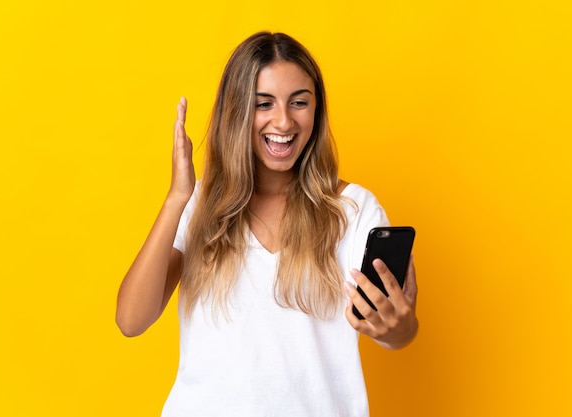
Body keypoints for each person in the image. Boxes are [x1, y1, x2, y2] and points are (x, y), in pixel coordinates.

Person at [116, 31, 418, 417]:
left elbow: (399, 332)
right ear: (238, 110)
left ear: (316, 111)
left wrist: (397, 326)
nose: (283, 121)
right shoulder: (200, 205)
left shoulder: (354, 210)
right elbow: (131, 320)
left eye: (299, 103)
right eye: (264, 103)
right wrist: (178, 197)